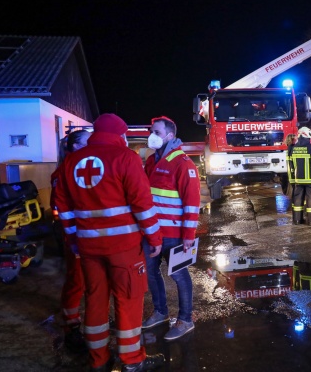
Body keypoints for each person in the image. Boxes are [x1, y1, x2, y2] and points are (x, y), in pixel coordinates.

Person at [53, 113, 164, 372]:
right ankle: (132, 360)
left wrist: (73, 240)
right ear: (120, 135)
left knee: (95, 299)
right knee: (128, 299)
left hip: (88, 248)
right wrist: (154, 237)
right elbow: (142, 204)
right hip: (124, 249)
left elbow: (64, 207)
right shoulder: (126, 158)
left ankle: (99, 361)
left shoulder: (70, 163)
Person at [142, 116, 201, 341]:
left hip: (174, 235)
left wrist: (188, 236)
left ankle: (185, 320)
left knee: (178, 275)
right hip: (151, 232)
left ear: (169, 135)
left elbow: (192, 202)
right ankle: (160, 312)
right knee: (151, 273)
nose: (152, 135)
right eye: (151, 131)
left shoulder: (183, 162)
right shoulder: (151, 160)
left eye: (156, 132)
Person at [50, 129, 91, 352]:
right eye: (87, 141)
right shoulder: (63, 173)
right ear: (75, 147)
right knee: (77, 281)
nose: (92, 144)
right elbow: (61, 209)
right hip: (75, 236)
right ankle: (71, 326)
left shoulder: (84, 168)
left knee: (93, 280)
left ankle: (93, 320)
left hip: (90, 235)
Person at [289, 127, 311, 226]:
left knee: (298, 199)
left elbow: (291, 165)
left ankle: (297, 220)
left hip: (298, 180)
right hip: (310, 181)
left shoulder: (294, 148)